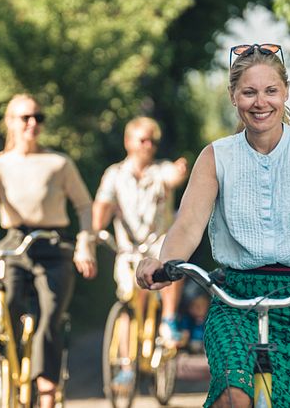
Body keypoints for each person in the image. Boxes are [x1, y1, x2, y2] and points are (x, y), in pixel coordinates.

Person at [135, 43, 290, 408]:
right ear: (233, 96)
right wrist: (165, 263)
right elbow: (187, 225)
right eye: (249, 92)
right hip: (237, 297)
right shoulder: (215, 157)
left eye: (271, 91)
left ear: (285, 91)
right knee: (233, 396)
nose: (261, 102)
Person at [0, 94, 96, 408]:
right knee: (3, 305)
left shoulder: (59, 163)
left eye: (38, 117)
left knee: (48, 318)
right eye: (25, 118)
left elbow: (84, 206)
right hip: (14, 245)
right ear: (11, 122)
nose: (33, 123)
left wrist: (84, 243)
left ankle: (46, 390)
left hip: (52, 244)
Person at [92, 117, 187, 386]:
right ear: (128, 142)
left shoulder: (161, 170)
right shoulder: (115, 174)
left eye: (152, 141)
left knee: (169, 264)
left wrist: (180, 173)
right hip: (128, 249)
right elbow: (102, 204)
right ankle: (126, 365)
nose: (148, 145)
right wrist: (96, 229)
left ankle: (168, 321)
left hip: (158, 241)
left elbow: (173, 176)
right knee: (126, 303)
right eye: (142, 139)